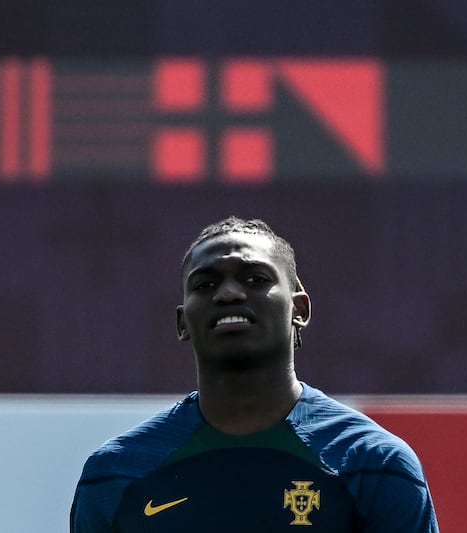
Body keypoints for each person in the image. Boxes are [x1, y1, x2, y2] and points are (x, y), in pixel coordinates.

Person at [70, 216, 438, 532]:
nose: (229, 294)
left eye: (255, 279)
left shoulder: (374, 464)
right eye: (206, 284)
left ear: (299, 309)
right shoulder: (115, 475)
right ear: (182, 323)